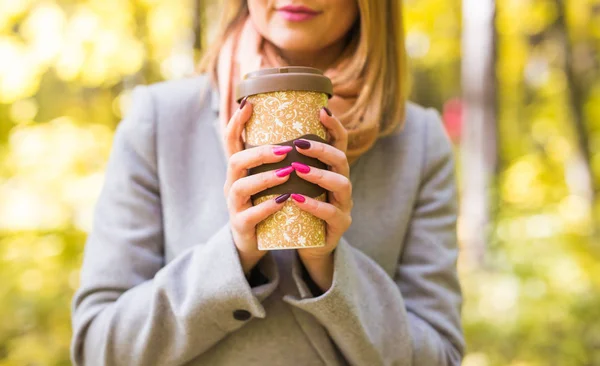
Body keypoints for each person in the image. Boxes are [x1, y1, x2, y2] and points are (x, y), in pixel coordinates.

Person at [70, 0, 465, 365]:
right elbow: (99, 347)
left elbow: (440, 356)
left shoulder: (417, 141)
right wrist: (233, 257)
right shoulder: (161, 121)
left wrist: (330, 272)